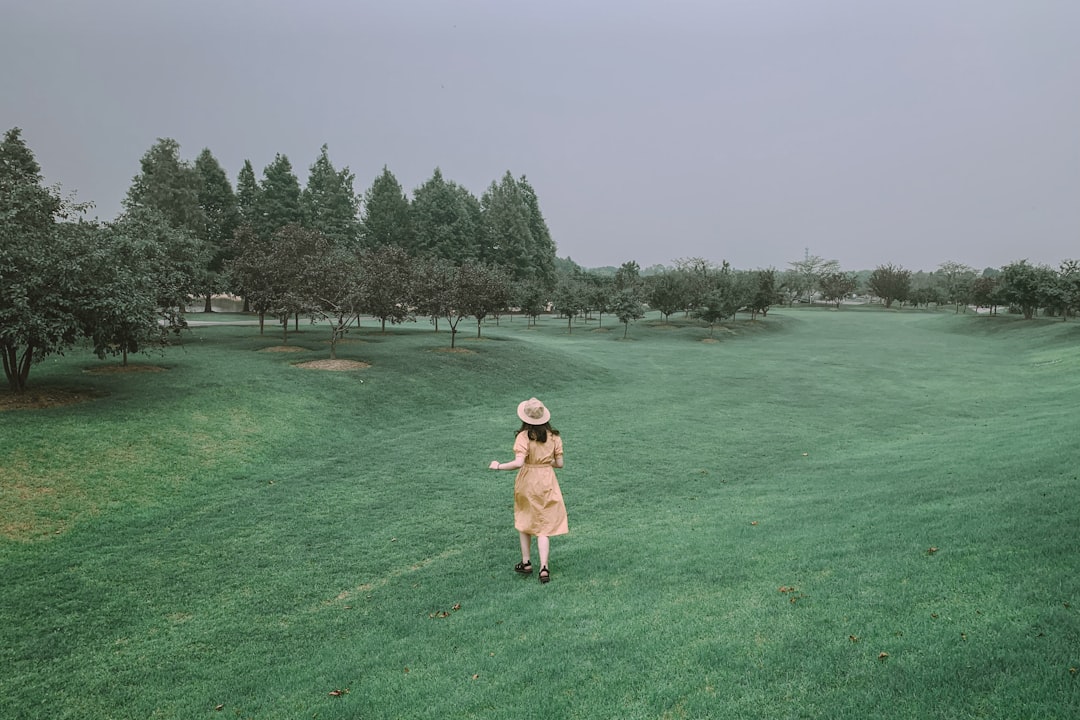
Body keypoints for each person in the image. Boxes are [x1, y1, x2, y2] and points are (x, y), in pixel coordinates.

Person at [489, 397, 567, 584]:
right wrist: (545, 462)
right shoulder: (554, 437)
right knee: (544, 526)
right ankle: (544, 568)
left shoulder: (523, 437)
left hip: (528, 481)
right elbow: (560, 464)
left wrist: (498, 466)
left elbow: (518, 463)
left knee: (525, 518)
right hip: (547, 480)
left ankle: (526, 562)